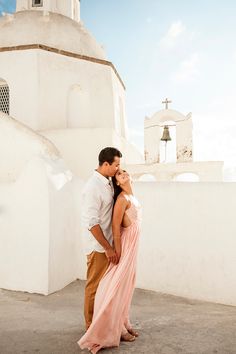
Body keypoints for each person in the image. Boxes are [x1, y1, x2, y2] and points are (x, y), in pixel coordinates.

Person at [78, 169, 141, 353]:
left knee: (126, 288)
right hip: (124, 248)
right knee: (112, 288)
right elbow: (115, 227)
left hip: (133, 248)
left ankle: (123, 322)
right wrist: (116, 251)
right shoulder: (121, 199)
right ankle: (103, 328)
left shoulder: (132, 196)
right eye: (118, 171)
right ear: (118, 183)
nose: (122, 171)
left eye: (123, 169)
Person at [82, 147, 122, 330]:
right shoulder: (92, 187)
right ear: (106, 164)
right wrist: (107, 248)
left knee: (106, 288)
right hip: (98, 247)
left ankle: (104, 325)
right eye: (116, 165)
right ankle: (90, 329)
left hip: (108, 244)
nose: (118, 168)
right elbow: (92, 223)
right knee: (94, 288)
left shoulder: (108, 181)